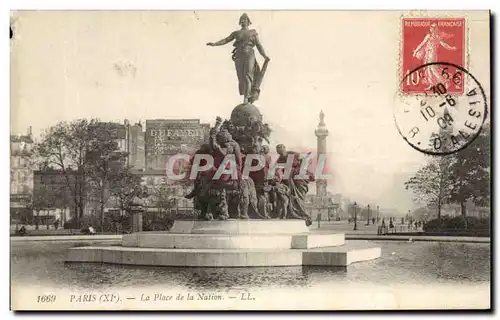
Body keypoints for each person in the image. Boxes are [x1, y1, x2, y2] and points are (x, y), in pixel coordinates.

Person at [207, 13, 271, 103]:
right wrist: (214, 44)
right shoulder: (236, 33)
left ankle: (246, 97)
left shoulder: (253, 32)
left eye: (245, 19)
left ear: (249, 21)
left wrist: (264, 56)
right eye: (242, 19)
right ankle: (246, 95)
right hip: (239, 56)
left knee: (248, 75)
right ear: (240, 22)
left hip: (249, 54)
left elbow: (259, 45)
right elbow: (226, 40)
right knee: (241, 77)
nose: (243, 21)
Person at [413, 22, 457, 88]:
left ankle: (444, 81)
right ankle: (432, 84)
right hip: (427, 54)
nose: (432, 29)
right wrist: (416, 51)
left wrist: (451, 48)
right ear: (430, 29)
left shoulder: (438, 37)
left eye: (434, 27)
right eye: (431, 27)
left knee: (432, 67)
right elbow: (422, 44)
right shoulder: (428, 36)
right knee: (428, 68)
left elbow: (444, 44)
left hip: (432, 54)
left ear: (436, 29)